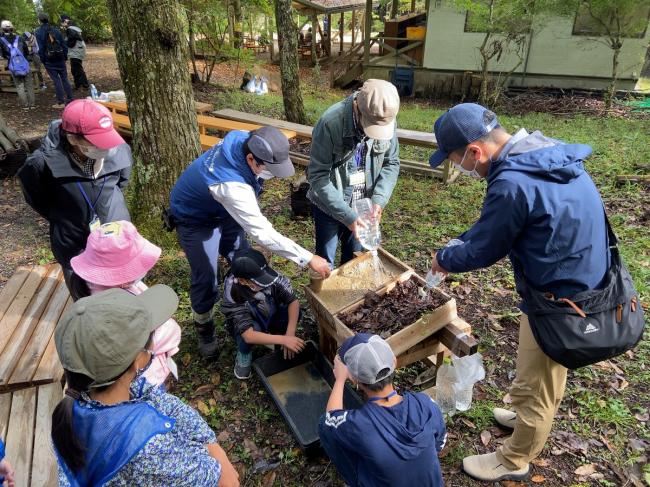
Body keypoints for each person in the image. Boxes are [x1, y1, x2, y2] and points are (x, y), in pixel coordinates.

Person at [427, 103, 609, 482]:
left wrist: (445, 258)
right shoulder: (539, 153)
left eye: (457, 159)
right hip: (566, 279)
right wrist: (461, 240)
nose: (461, 168)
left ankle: (515, 459)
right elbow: (501, 224)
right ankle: (525, 413)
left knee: (543, 380)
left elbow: (486, 248)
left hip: (562, 298)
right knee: (534, 363)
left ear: (476, 152)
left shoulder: (511, 181)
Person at [52, 285, 240, 486]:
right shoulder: (147, 447)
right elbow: (222, 481)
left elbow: (163, 401)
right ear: (137, 360)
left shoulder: (80, 396)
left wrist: (208, 441)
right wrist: (216, 453)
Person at [168, 127, 330, 360]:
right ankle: (205, 328)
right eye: (268, 169)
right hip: (195, 219)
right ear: (251, 159)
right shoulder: (230, 186)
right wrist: (308, 258)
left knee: (244, 260)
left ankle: (255, 313)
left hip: (224, 211)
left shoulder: (247, 139)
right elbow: (262, 233)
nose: (272, 175)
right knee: (206, 276)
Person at [17, 99, 132, 300]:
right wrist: (66, 216)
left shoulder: (118, 147)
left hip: (115, 233)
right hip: (74, 240)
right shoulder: (41, 164)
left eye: (108, 138)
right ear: (73, 139)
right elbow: (37, 198)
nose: (107, 147)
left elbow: (122, 181)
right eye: (97, 141)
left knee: (124, 288)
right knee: (84, 294)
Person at [319, 333, 447, 486]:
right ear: (394, 362)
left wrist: (339, 380)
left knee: (324, 426)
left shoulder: (359, 425)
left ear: (354, 379)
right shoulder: (426, 403)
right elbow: (439, 444)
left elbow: (329, 420)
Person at [70, 220, 181, 386]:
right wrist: (172, 329)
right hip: (142, 380)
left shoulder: (96, 289)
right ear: (121, 276)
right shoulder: (113, 310)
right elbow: (160, 337)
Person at [307, 79, 400, 267]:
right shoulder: (330, 123)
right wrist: (347, 215)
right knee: (325, 264)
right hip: (329, 207)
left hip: (363, 207)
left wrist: (379, 200)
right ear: (358, 108)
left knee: (354, 261)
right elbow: (318, 176)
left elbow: (391, 162)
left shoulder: (386, 118)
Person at [221, 248, 305, 379]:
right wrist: (284, 340)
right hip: (250, 326)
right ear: (243, 281)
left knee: (293, 313)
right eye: (261, 281)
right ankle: (244, 353)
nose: (267, 282)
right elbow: (248, 335)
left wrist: (289, 333)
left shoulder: (270, 276)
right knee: (251, 333)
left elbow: (293, 301)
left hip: (270, 311)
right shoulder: (233, 295)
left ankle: (277, 336)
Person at [35, 12, 73, 108]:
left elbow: (41, 48)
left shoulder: (38, 32)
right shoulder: (56, 30)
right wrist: (64, 56)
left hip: (49, 59)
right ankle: (70, 99)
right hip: (60, 58)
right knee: (64, 79)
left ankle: (61, 102)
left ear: (39, 20)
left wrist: (43, 60)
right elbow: (63, 44)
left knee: (56, 80)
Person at [0, 20, 35, 109]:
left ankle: (25, 106)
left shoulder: (1, 40)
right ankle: (32, 104)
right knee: (29, 85)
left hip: (13, 65)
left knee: (20, 86)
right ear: (12, 28)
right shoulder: (20, 38)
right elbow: (27, 52)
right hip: (24, 64)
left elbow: (3, 54)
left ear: (3, 29)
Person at [60, 15, 88, 90]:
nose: (61, 24)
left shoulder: (70, 30)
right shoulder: (74, 29)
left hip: (76, 51)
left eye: (62, 21)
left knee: (77, 68)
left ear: (66, 21)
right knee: (76, 68)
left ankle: (84, 85)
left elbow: (71, 43)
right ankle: (79, 85)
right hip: (78, 50)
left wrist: (65, 42)